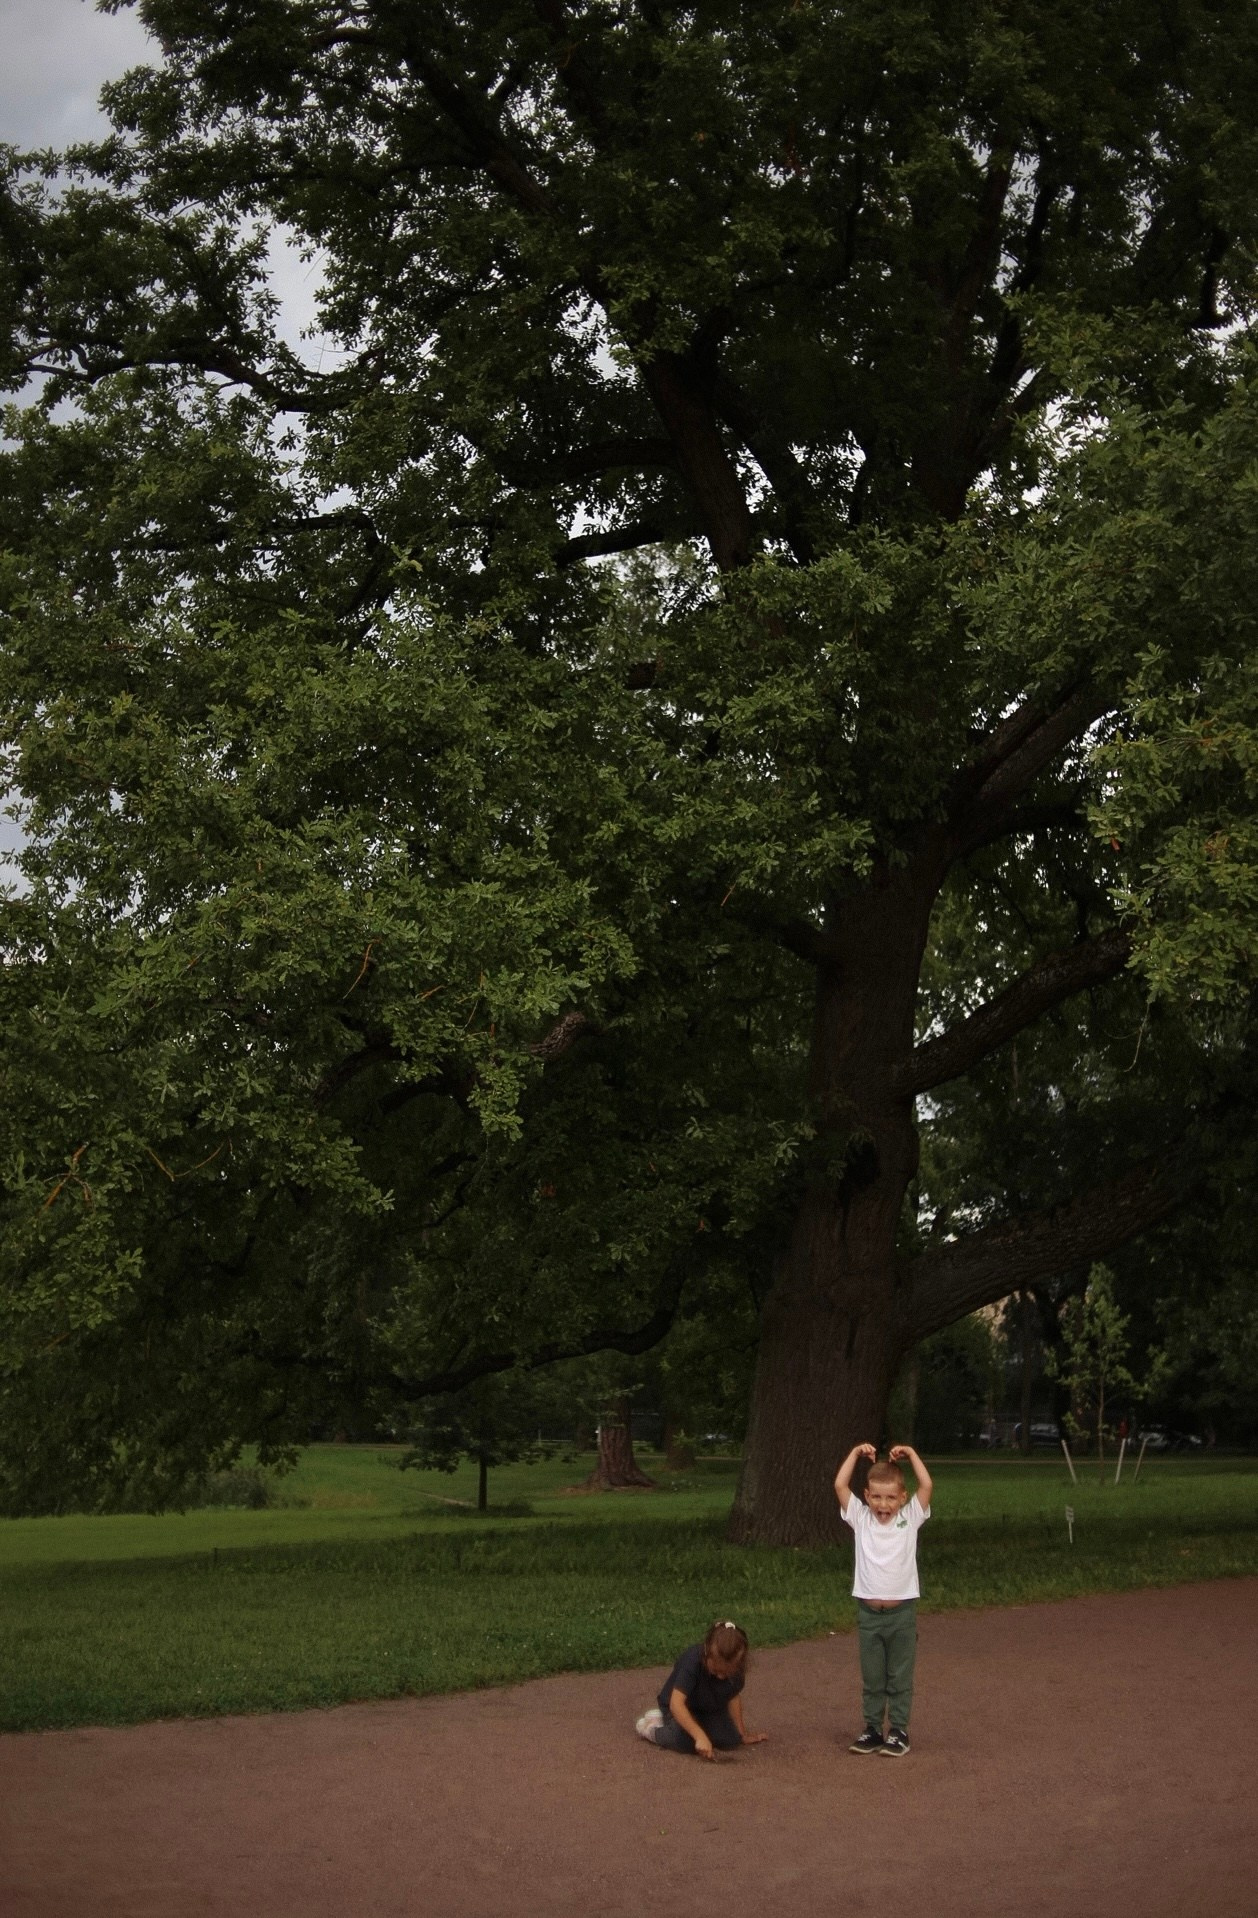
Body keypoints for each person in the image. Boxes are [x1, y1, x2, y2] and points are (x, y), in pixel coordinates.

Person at [833, 1441, 932, 1757]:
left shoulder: (910, 1517)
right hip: (869, 1614)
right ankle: (872, 1729)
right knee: (873, 1677)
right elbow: (839, 1484)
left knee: (899, 1676)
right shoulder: (860, 1519)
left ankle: (899, 1730)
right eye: (876, 1496)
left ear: (903, 1498)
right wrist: (855, 1454)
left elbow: (927, 1484)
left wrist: (912, 1455)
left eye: (891, 1497)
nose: (883, 1504)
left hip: (901, 1614)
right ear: (866, 1496)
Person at [634, 1620, 768, 1759]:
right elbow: (676, 1704)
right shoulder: (692, 1662)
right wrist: (700, 1736)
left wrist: (742, 1733)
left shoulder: (736, 1671)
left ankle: (698, 1728)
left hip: (709, 1708)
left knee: (731, 1741)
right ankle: (653, 1728)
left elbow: (732, 1697)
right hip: (680, 1707)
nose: (721, 1677)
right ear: (706, 1652)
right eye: (716, 1671)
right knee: (685, 1741)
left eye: (727, 1673)